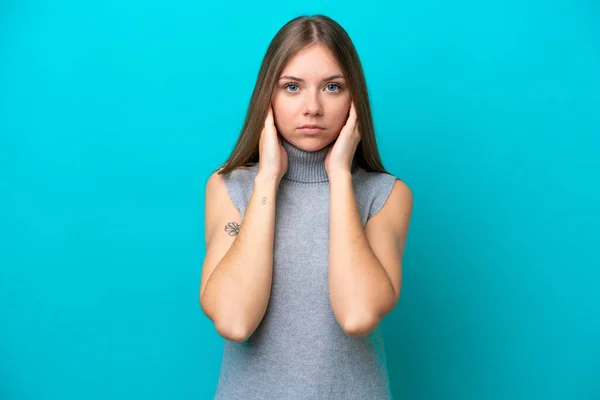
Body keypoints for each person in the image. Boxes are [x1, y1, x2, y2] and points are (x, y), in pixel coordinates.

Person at [199, 14, 413, 400]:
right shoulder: (229, 188)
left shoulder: (387, 195)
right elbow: (234, 320)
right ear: (268, 97)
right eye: (292, 87)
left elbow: (358, 315)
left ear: (354, 98)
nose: (312, 107)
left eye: (332, 87)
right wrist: (267, 178)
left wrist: (340, 178)